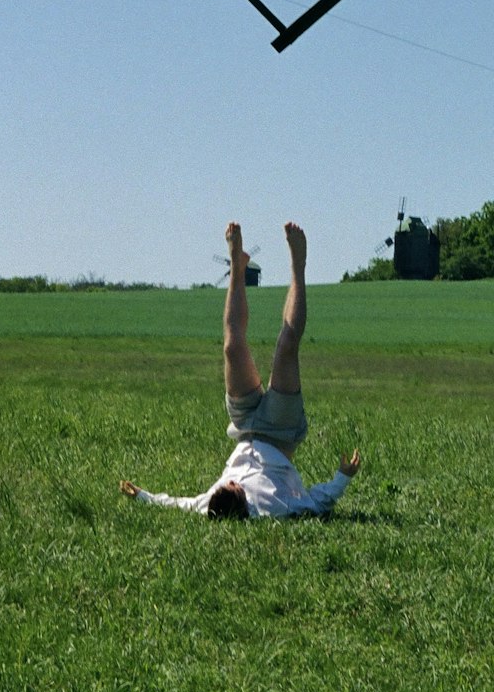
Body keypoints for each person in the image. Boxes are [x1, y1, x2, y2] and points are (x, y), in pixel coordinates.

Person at [120, 221, 361, 519]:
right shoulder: (272, 507)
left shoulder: (213, 502)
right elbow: (316, 503)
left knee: (232, 346)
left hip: (244, 424)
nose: (230, 480)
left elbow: (178, 503)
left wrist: (143, 496)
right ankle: (298, 265)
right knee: (286, 347)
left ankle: (237, 265)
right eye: (233, 486)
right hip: (279, 431)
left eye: (226, 482)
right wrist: (343, 477)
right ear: (245, 502)